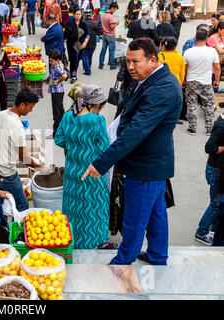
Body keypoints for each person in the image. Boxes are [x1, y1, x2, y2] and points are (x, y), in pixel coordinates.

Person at [82, 38, 182, 265]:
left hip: (144, 166)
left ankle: (122, 263)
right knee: (156, 215)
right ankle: (157, 254)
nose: (129, 67)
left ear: (153, 60)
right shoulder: (155, 79)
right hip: (152, 165)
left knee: (134, 219)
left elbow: (136, 131)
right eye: (127, 61)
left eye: (135, 61)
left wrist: (101, 163)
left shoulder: (162, 89)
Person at [55, 85, 115, 249]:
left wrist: (76, 147)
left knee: (73, 208)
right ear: (96, 104)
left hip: (72, 173)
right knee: (96, 208)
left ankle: (74, 240)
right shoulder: (97, 120)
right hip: (92, 173)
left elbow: (59, 139)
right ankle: (99, 242)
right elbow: (104, 148)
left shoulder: (68, 116)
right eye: (101, 106)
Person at [0, 88, 49, 211]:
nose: (31, 110)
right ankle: (18, 229)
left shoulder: (0, 115)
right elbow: (24, 158)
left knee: (2, 199)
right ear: (22, 105)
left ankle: (2, 224)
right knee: (23, 205)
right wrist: (40, 167)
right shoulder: (16, 126)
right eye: (30, 107)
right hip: (5, 173)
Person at [184, 28, 220, 136]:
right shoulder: (212, 51)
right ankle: (209, 129)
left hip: (191, 81)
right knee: (209, 105)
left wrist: (184, 79)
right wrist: (217, 81)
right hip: (206, 81)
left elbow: (185, 68)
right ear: (207, 39)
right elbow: (217, 67)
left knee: (191, 105)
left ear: (195, 38)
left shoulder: (188, 52)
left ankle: (192, 128)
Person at [194, 115, 224, 245]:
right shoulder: (222, 127)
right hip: (216, 172)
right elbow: (209, 147)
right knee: (216, 203)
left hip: (217, 170)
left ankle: (212, 227)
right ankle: (202, 232)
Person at [158, 36, 185, 124]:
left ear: (163, 46)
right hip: (175, 84)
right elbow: (182, 73)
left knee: (161, 101)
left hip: (162, 83)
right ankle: (174, 118)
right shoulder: (179, 57)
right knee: (173, 103)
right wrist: (180, 83)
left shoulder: (160, 56)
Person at [65, 8, 90, 82]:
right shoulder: (69, 23)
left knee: (77, 59)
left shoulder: (83, 23)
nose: (78, 16)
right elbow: (66, 34)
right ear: (74, 15)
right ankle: (73, 75)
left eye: (79, 14)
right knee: (73, 59)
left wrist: (85, 42)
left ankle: (73, 72)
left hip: (81, 45)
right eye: (77, 14)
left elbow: (88, 34)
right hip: (71, 45)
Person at [47, 49, 68, 138]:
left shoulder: (58, 66)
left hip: (57, 92)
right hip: (59, 92)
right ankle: (63, 130)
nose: (50, 62)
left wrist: (57, 82)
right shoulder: (58, 65)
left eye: (52, 61)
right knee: (60, 111)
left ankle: (56, 133)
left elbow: (64, 76)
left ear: (58, 60)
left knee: (56, 113)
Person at [99, 2, 119, 70]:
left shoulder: (103, 15)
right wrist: (116, 24)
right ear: (112, 8)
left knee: (103, 50)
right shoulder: (110, 16)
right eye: (115, 9)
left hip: (104, 34)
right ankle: (112, 65)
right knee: (111, 51)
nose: (115, 11)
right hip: (111, 35)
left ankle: (101, 64)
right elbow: (111, 27)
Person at [82, 9, 98, 76]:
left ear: (85, 15)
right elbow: (99, 32)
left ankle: (87, 70)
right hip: (93, 43)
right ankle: (89, 67)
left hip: (85, 43)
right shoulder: (95, 23)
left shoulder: (83, 23)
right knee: (89, 56)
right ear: (91, 15)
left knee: (85, 56)